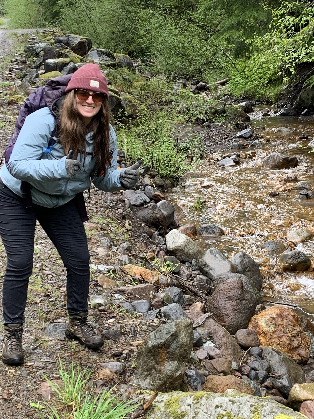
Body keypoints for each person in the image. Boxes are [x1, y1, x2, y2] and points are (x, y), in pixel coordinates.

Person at [0, 63, 140, 365]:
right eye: (83, 94)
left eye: (97, 96)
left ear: (104, 101)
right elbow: (17, 164)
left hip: (59, 201)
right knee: (21, 262)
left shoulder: (105, 133)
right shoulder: (43, 120)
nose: (89, 100)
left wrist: (121, 179)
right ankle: (13, 334)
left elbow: (102, 179)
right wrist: (59, 167)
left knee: (79, 260)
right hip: (16, 194)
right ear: (71, 93)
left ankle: (77, 322)